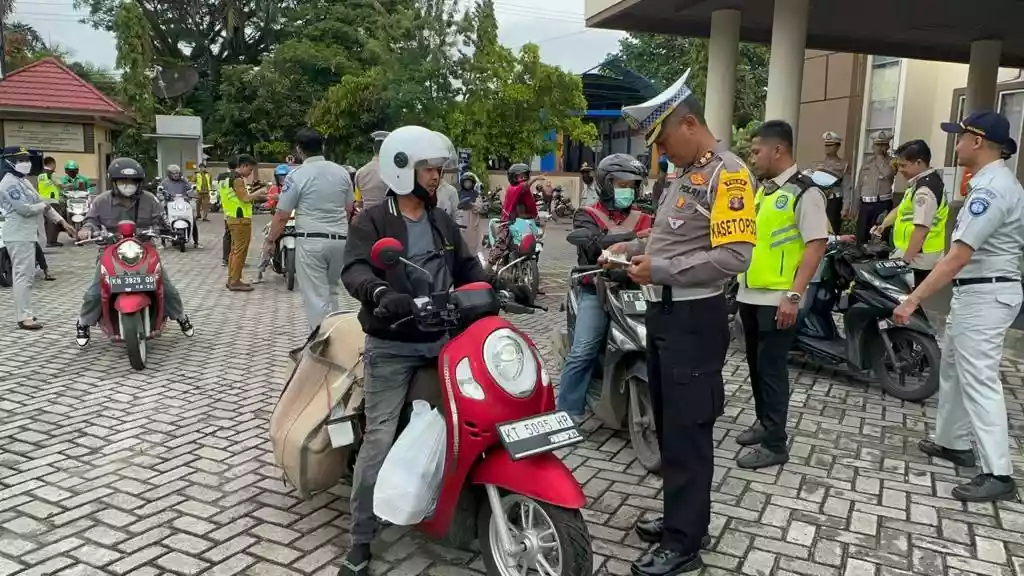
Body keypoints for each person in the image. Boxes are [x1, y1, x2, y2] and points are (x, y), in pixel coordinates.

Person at [340, 126, 531, 576]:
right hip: (393, 343)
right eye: (430, 169)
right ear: (402, 168)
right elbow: (353, 269)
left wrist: (495, 284)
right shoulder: (373, 221)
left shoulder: (441, 219)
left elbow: (465, 268)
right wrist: (378, 292)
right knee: (381, 437)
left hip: (446, 338)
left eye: (440, 169)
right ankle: (361, 538)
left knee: (477, 418)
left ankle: (463, 506)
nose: (437, 177)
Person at [611, 69, 755, 574]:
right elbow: (671, 241)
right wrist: (631, 249)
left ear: (689, 124)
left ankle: (684, 545)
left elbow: (736, 255)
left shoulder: (728, 173)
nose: (661, 151)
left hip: (695, 317)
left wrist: (663, 268)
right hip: (667, 314)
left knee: (690, 429)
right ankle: (682, 518)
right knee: (672, 425)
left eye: (664, 139)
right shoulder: (686, 176)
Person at [893, 111, 1024, 502]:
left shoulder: (992, 190)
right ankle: (954, 443)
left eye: (961, 136)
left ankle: (998, 472)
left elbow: (957, 256)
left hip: (986, 295)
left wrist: (913, 299)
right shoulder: (988, 182)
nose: (957, 143)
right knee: (953, 368)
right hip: (978, 293)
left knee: (980, 380)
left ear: (978, 141)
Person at [735, 120, 829, 470]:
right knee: (757, 367)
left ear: (778, 150)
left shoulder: (806, 192)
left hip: (778, 299)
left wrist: (794, 295)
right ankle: (764, 423)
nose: (753, 157)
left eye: (757, 150)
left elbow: (816, 245)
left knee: (772, 370)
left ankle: (776, 444)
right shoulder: (766, 191)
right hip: (751, 294)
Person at [556, 153, 653, 422]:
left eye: (632, 185)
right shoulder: (586, 215)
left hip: (637, 290)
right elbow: (593, 244)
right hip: (596, 290)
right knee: (583, 350)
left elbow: (659, 242)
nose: (628, 191)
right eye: (622, 185)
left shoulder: (645, 216)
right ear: (606, 184)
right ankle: (566, 413)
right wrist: (635, 239)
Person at [73, 158, 194, 344]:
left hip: (144, 250)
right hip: (110, 251)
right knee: (94, 292)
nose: (127, 185)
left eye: (132, 181)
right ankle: (84, 322)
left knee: (167, 288)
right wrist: (86, 230)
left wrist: (171, 231)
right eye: (122, 181)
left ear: (139, 183)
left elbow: (163, 221)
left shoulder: (150, 200)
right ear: (113, 182)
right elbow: (90, 220)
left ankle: (180, 316)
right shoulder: (101, 201)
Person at [268, 129, 354, 328]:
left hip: (312, 241)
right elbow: (349, 208)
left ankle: (320, 344)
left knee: (316, 297)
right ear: (322, 147)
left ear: (299, 150)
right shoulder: (341, 172)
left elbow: (282, 215)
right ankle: (337, 335)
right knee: (332, 291)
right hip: (340, 239)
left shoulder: (296, 175)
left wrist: (270, 240)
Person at [0, 147, 74, 329]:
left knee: (28, 275)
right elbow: (25, 209)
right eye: (20, 159)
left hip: (27, 234)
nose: (25, 162)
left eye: (26, 158)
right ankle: (24, 317)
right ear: (8, 161)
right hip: (17, 234)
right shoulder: (8, 183)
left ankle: (26, 313)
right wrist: (43, 205)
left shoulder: (23, 181)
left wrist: (63, 222)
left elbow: (40, 200)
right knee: (22, 276)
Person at [871, 140, 948, 287]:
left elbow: (921, 229)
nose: (900, 170)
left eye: (903, 165)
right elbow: (902, 209)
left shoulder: (925, 190)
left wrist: (904, 261)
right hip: (915, 254)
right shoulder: (920, 183)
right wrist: (883, 225)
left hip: (918, 259)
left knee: (907, 302)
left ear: (918, 162)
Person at [485, 164, 544, 268]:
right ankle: (488, 268)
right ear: (513, 177)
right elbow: (523, 187)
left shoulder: (526, 192)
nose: (524, 179)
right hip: (509, 222)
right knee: (502, 242)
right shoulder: (512, 189)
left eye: (525, 176)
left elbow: (531, 206)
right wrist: (535, 179)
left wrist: (537, 218)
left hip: (525, 223)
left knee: (538, 240)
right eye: (521, 176)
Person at [223, 154, 267, 291]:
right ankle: (235, 281)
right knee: (240, 251)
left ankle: (232, 278)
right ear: (244, 166)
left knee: (234, 251)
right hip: (240, 219)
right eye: (250, 169)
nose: (250, 173)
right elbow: (245, 198)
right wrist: (260, 192)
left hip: (230, 217)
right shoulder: (237, 179)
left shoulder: (224, 178)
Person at [852, 130, 896, 244]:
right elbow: (859, 185)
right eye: (877, 145)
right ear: (873, 146)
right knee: (861, 236)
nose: (880, 148)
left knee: (878, 237)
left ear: (888, 146)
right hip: (866, 204)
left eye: (883, 145)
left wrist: (880, 158)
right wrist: (855, 208)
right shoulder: (867, 163)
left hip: (882, 204)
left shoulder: (892, 162)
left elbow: (888, 174)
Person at [814, 131, 852, 234]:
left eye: (830, 145)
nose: (827, 148)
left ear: (837, 147)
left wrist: (845, 207)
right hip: (820, 201)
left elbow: (847, 187)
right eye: (826, 145)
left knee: (833, 230)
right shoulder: (820, 164)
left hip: (834, 201)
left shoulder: (843, 165)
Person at [161, 164, 200, 249]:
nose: (176, 175)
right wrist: (163, 197)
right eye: (174, 173)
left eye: (177, 173)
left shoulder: (183, 181)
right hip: (170, 204)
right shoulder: (165, 182)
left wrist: (192, 189)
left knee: (192, 219)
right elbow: (160, 192)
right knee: (163, 221)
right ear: (169, 174)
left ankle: (196, 242)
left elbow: (190, 187)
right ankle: (162, 242)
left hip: (183, 203)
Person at [354, 130, 390, 211]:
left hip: (368, 220)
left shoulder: (360, 172)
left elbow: (359, 202)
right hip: (389, 219)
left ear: (374, 149)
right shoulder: (394, 171)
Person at [38, 156, 64, 246]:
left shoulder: (40, 174)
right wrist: (69, 186)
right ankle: (52, 241)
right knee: (54, 221)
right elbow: (60, 185)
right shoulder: (52, 173)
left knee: (44, 222)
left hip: (41, 200)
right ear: (52, 164)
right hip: (52, 200)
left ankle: (45, 241)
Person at [455, 171, 484, 249]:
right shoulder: (458, 194)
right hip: (462, 222)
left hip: (473, 222)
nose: (468, 184)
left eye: (469, 182)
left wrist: (472, 205)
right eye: (466, 182)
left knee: (475, 244)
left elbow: (479, 208)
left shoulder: (476, 194)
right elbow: (456, 207)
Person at [219, 158, 238, 266]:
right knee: (236, 236)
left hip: (226, 208)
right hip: (237, 210)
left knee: (227, 234)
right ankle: (235, 259)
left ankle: (225, 258)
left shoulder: (221, 177)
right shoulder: (237, 177)